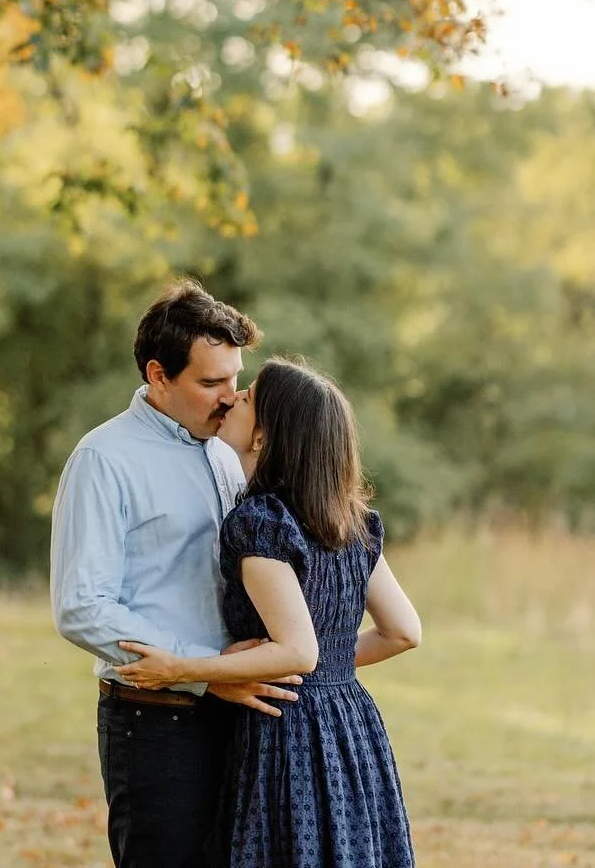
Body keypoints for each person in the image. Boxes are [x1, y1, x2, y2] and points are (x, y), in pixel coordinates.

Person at [116, 357, 423, 868]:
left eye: (250, 396)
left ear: (263, 436)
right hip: (351, 724)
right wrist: (330, 670)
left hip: (288, 729)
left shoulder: (261, 524)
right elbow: (403, 632)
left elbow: (296, 651)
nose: (234, 397)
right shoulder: (352, 521)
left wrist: (182, 668)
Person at [50, 281, 304, 868]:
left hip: (244, 714)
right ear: (159, 375)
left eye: (235, 378)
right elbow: (82, 606)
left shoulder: (228, 450)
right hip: (158, 722)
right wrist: (202, 671)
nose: (230, 398)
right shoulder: (104, 460)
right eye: (210, 382)